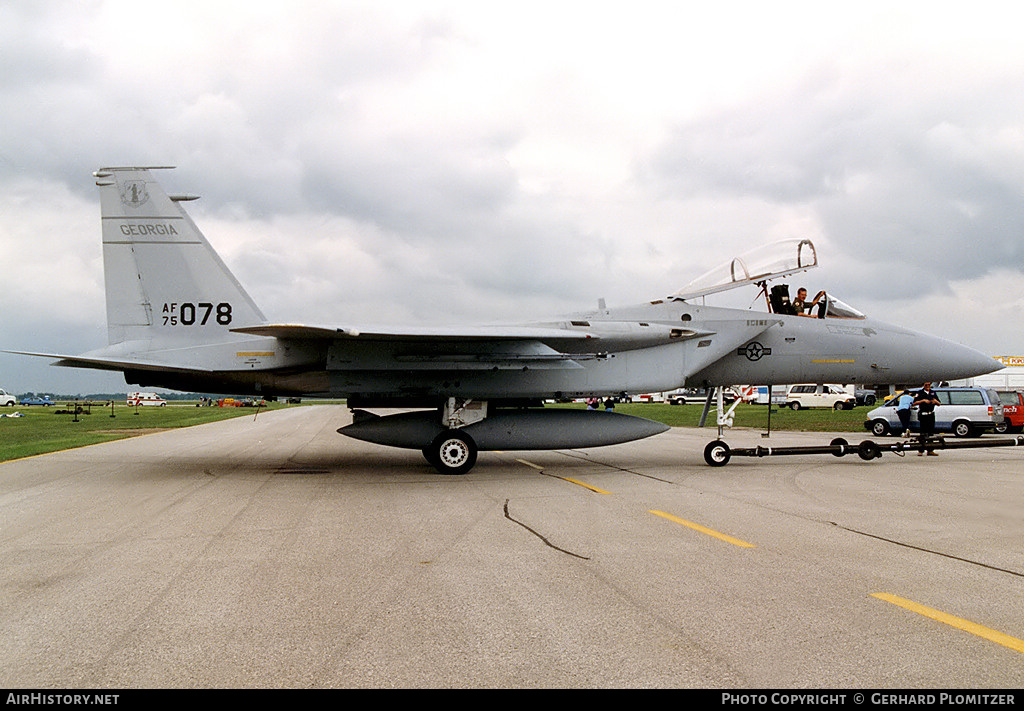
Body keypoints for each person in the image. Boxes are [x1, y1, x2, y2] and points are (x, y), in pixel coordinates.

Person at [913, 382, 941, 456]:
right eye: (926, 385)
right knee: (923, 433)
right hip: (923, 415)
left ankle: (930, 450)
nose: (928, 386)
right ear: (923, 385)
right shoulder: (920, 393)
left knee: (931, 433)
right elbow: (914, 403)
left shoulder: (932, 393)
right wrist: (923, 401)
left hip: (931, 414)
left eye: (929, 385)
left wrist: (935, 402)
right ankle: (921, 450)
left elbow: (939, 403)